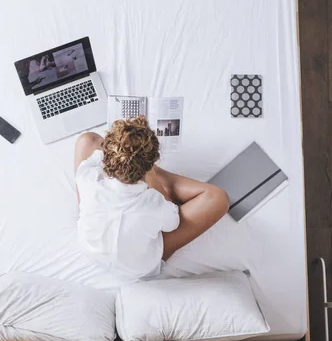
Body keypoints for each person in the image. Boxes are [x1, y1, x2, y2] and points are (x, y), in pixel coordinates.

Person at [74, 116, 229, 280]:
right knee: (218, 198)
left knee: (87, 139)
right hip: (140, 267)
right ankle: (149, 170)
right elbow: (172, 224)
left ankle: (133, 168)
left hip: (91, 251)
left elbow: (95, 147)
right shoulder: (154, 203)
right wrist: (151, 173)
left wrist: (122, 151)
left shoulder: (87, 175)